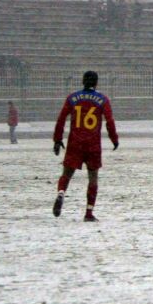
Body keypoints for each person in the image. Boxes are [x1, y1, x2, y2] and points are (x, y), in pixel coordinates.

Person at [51, 71, 118, 221]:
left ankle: (61, 192)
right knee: (93, 178)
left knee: (66, 174)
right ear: (96, 83)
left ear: (83, 81)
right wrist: (114, 139)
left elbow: (61, 119)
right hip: (93, 144)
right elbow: (109, 121)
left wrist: (57, 139)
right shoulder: (103, 99)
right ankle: (88, 213)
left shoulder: (73, 98)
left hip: (75, 141)